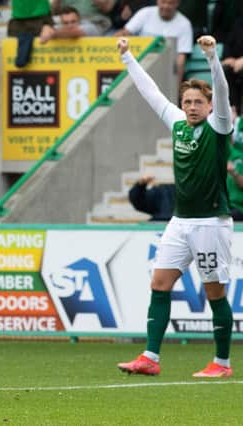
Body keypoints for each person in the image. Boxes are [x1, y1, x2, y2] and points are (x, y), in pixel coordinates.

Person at [116, 35, 234, 378]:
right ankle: (150, 357)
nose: (192, 106)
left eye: (198, 101)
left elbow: (223, 93)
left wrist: (212, 58)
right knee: (159, 283)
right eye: (188, 101)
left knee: (214, 292)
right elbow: (150, 92)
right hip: (180, 223)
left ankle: (222, 363)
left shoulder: (218, 126)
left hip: (211, 223)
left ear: (209, 106)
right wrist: (127, 58)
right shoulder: (177, 123)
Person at [115, 0, 193, 86]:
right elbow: (124, 33)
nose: (166, 6)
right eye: (163, 2)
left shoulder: (184, 24)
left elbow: (180, 60)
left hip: (166, 71)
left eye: (170, 3)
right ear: (158, 1)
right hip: (140, 66)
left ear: (177, 4)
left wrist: (176, 88)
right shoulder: (145, 13)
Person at [226, 116, 243, 220]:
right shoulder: (228, 151)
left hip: (239, 208)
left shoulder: (238, 155)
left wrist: (234, 173)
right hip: (225, 205)